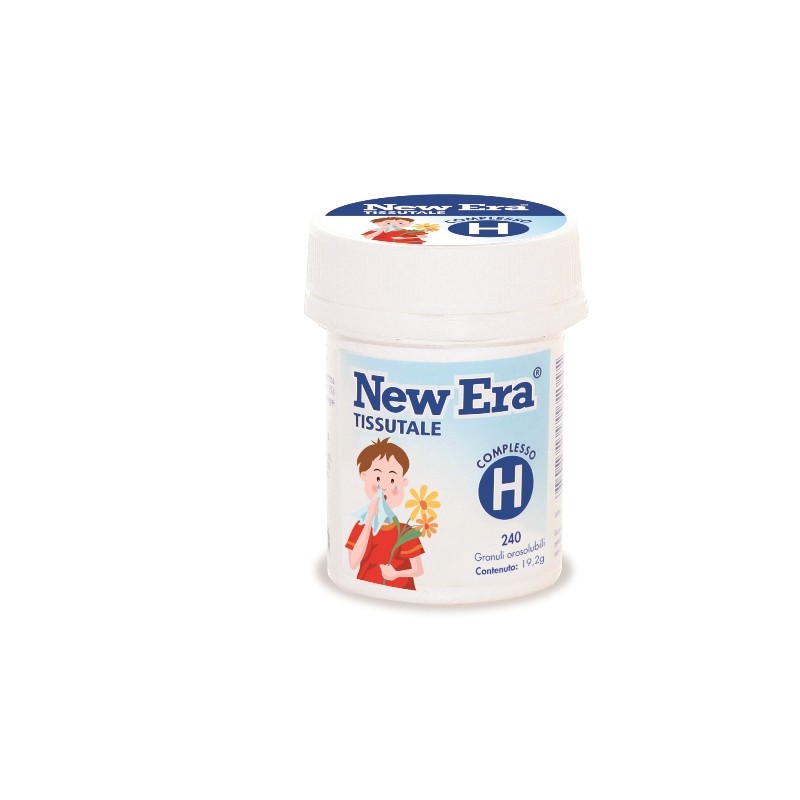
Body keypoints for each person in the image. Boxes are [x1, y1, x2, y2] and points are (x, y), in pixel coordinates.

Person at [346, 438, 424, 590]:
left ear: (403, 482)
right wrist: (369, 518)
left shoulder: (405, 531)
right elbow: (353, 563)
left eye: (393, 479)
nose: (385, 486)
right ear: (364, 476)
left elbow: (418, 569)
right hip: (367, 588)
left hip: (402, 590)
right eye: (378, 478)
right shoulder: (361, 527)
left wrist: (396, 574)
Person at [361, 217, 426, 244]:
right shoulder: (380, 231)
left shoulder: (405, 231)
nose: (393, 225)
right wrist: (381, 230)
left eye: (400, 223)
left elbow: (422, 236)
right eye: (388, 223)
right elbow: (367, 236)